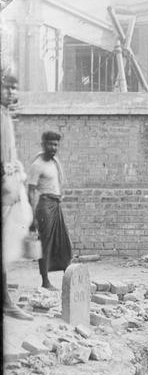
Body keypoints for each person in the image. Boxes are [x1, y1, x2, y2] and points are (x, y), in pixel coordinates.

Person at [1, 67, 33, 320]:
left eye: (13, 87)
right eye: (6, 86)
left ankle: (6, 300)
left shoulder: (5, 115)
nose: (10, 91)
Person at [28, 131, 72, 290]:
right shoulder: (37, 165)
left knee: (63, 241)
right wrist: (31, 217)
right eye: (50, 144)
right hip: (45, 207)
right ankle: (45, 281)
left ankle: (69, 277)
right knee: (45, 244)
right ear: (43, 145)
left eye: (56, 144)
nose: (53, 147)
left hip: (56, 206)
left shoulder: (55, 162)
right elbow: (31, 191)